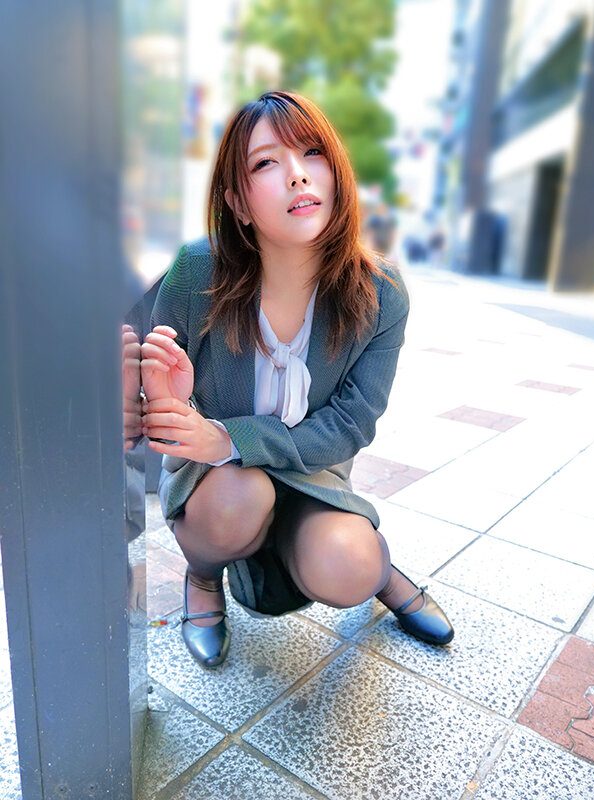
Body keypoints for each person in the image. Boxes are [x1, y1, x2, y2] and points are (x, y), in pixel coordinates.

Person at [141, 91, 454, 669]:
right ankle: (203, 577)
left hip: (313, 474)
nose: (297, 175)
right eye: (266, 162)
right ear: (237, 202)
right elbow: (160, 414)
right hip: (218, 483)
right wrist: (169, 407)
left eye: (312, 153)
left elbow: (351, 425)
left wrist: (229, 436)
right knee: (239, 497)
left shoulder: (380, 291)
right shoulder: (196, 271)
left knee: (350, 567)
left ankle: (379, 571)